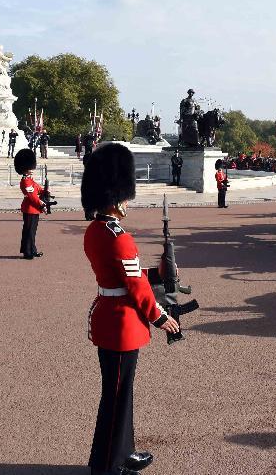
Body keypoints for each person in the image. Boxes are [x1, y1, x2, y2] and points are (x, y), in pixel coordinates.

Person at [81, 143, 178, 475]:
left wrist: (160, 273)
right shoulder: (118, 235)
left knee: (120, 394)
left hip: (110, 315)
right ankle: (108, 465)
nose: (127, 202)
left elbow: (129, 275)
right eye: (124, 195)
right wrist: (159, 315)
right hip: (123, 323)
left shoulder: (96, 231)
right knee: (117, 397)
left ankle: (123, 451)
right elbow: (135, 286)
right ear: (115, 194)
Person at [15, 148, 45, 260]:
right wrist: (41, 204)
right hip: (30, 208)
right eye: (30, 167)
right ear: (24, 168)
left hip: (34, 208)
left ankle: (32, 250)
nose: (32, 169)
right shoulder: (25, 181)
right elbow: (32, 196)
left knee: (32, 231)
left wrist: (45, 191)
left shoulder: (30, 179)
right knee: (28, 231)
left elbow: (37, 189)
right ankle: (27, 252)